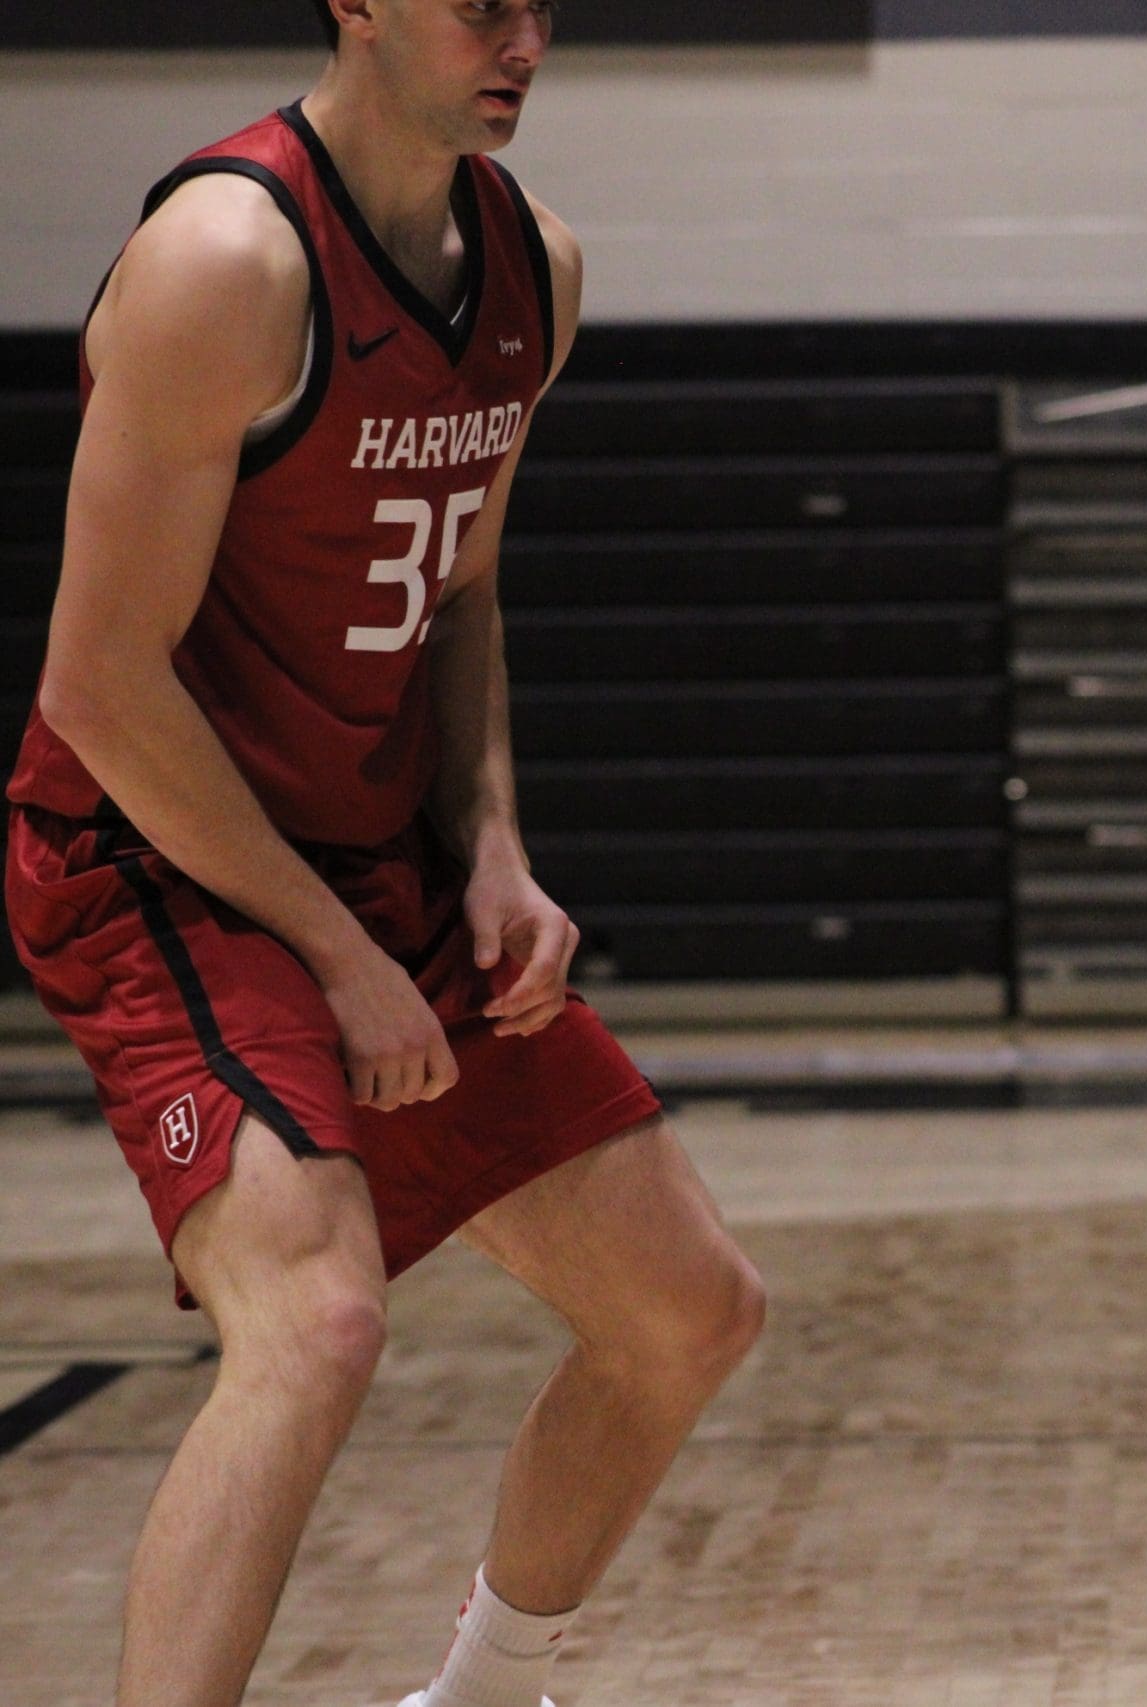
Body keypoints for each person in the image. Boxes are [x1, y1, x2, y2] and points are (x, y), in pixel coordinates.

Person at [3, 5, 766, 1705]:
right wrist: (340, 961)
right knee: (317, 1323)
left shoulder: (532, 264)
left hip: (366, 853)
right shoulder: (227, 256)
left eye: (541, 4)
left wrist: (491, 844)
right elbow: (97, 683)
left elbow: (461, 593)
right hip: (153, 854)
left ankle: (482, 1695)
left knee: (687, 1308)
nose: (523, 37)